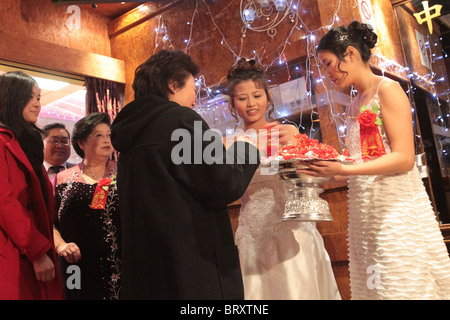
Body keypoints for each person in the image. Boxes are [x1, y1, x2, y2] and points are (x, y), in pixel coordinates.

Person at [298, 21, 450, 299]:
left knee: (401, 282)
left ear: (352, 54)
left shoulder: (388, 89)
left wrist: (344, 167)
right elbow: (358, 165)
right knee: (375, 286)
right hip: (365, 209)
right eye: (323, 67)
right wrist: (321, 171)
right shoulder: (355, 104)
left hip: (395, 208)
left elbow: (404, 159)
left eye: (329, 63)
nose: (327, 73)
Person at [110, 50, 259, 299]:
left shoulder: (130, 133)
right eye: (192, 87)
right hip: (191, 269)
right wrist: (248, 147)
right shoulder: (181, 121)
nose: (195, 96)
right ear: (172, 85)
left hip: (148, 272)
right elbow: (223, 183)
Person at [224, 58, 341, 300]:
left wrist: (297, 144)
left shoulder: (287, 133)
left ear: (268, 97)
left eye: (256, 95)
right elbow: (227, 188)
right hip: (254, 233)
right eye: (242, 98)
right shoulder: (229, 143)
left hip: (295, 227)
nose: (250, 104)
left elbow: (312, 173)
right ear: (233, 104)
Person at [0, 71, 64, 299]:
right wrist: (37, 252)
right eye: (31, 97)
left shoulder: (27, 142)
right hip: (17, 252)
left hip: (30, 247)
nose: (37, 104)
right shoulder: (2, 142)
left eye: (39, 98)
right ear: (12, 97)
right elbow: (6, 203)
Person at [53, 112, 121, 300]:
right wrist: (61, 245)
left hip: (119, 264)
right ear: (81, 143)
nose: (106, 140)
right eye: (98, 135)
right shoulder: (62, 179)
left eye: (108, 135)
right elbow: (50, 223)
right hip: (75, 264)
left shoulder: (124, 173)